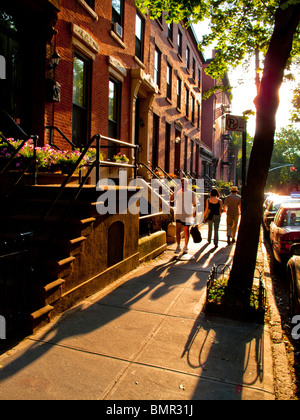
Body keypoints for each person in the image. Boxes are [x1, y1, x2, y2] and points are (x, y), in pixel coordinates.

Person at [173, 178, 198, 254]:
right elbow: (171, 199)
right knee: (177, 231)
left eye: (184, 183)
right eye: (181, 183)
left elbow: (194, 204)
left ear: (187, 184)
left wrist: (194, 215)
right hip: (178, 214)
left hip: (187, 214)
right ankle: (178, 246)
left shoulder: (192, 193)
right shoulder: (177, 192)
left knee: (186, 231)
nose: (183, 185)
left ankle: (186, 246)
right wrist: (176, 190)